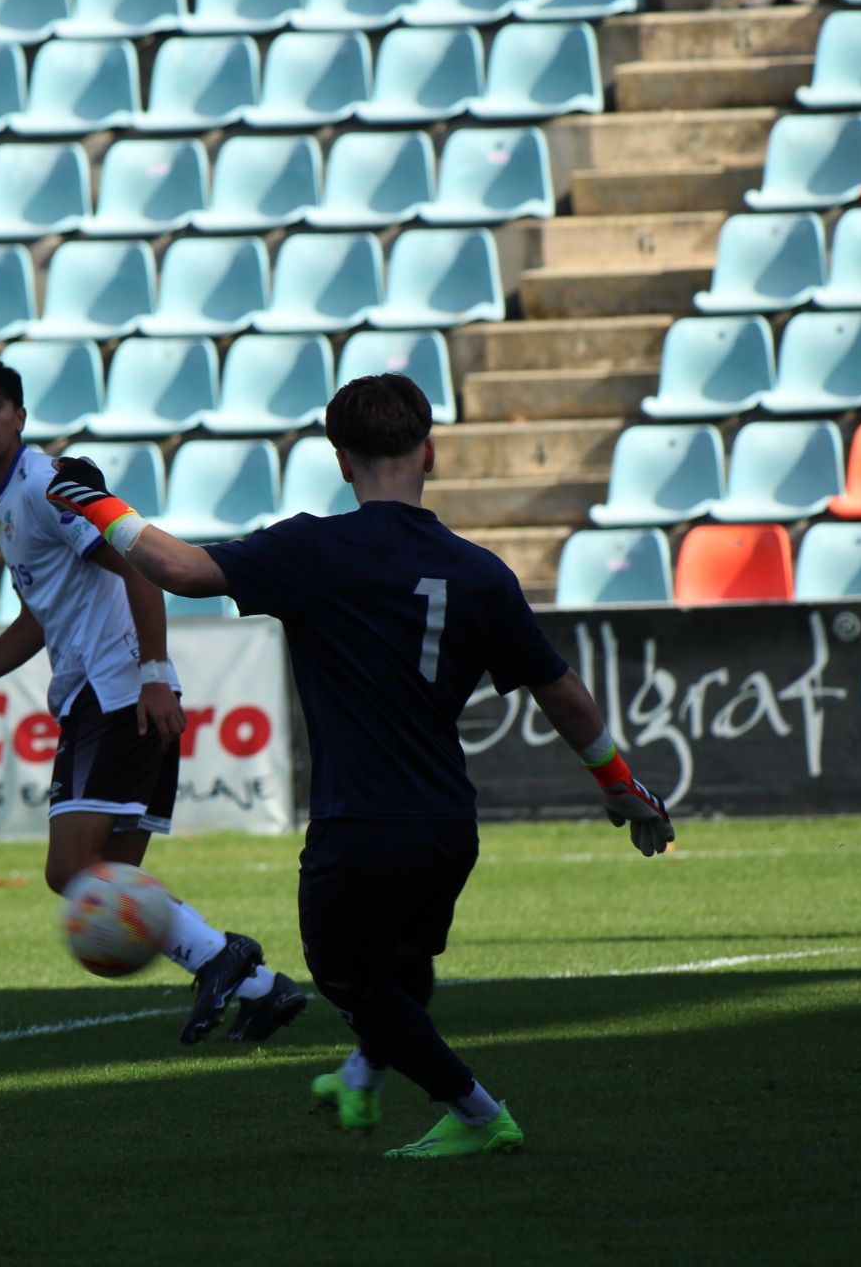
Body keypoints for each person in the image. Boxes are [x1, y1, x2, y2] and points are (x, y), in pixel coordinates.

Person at [45, 372, 676, 1160]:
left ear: (342, 462)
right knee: (401, 965)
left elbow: (176, 569)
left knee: (349, 981)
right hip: (448, 823)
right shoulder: (482, 572)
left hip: (358, 824)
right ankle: (361, 1079)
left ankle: (479, 1114)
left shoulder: (314, 547)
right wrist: (621, 789)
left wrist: (87, 499)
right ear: (431, 453)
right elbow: (563, 693)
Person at [0, 358, 308, 1045]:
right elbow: (39, 617)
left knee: (72, 870)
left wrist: (151, 671)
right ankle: (261, 988)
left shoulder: (46, 486)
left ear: (20, 417)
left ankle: (220, 957)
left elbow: (138, 566)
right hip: (116, 690)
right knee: (114, 879)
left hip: (118, 691)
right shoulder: (10, 501)